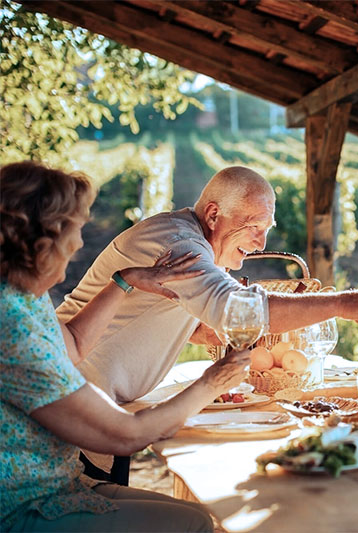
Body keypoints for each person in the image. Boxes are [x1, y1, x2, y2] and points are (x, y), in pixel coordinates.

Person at [1, 161, 251, 532]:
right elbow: (127, 434)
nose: (81, 243)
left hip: (57, 480)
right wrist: (213, 382)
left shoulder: (20, 295)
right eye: (75, 229)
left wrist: (126, 280)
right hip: (25, 503)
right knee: (193, 524)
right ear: (43, 240)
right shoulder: (14, 328)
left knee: (199, 516)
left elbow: (72, 345)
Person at [57, 165, 358, 405]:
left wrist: (200, 330)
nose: (261, 242)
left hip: (86, 393)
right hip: (68, 392)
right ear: (213, 215)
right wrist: (342, 304)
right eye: (254, 226)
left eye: (267, 228)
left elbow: (165, 310)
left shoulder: (189, 239)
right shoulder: (181, 247)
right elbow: (242, 311)